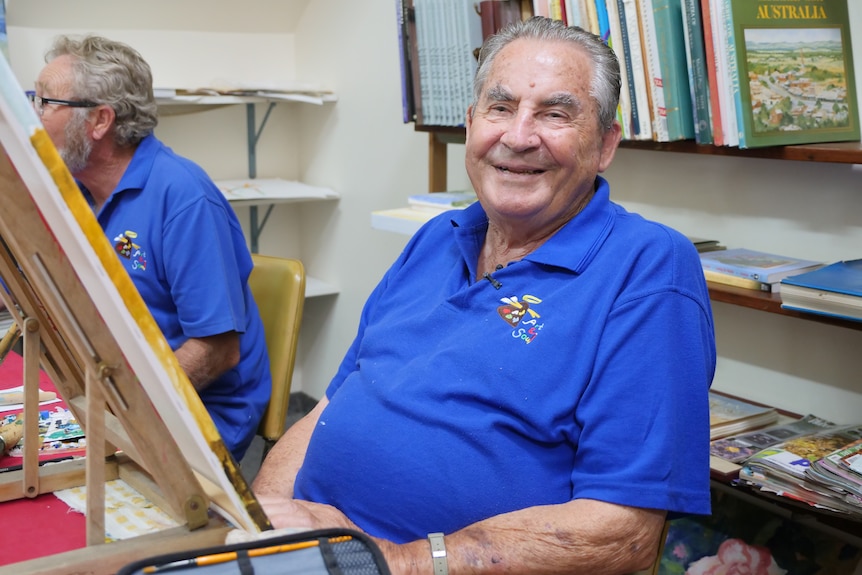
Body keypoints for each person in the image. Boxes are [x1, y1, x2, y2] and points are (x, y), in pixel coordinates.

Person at [252, 17, 716, 574]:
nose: (518, 137)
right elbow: (331, 406)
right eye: (500, 108)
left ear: (605, 144)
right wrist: (258, 526)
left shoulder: (649, 268)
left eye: (555, 113)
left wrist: (395, 561)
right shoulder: (434, 239)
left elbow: (625, 533)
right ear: (471, 124)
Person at [32, 35, 270, 461]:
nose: (36, 119)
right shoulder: (78, 190)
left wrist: (127, 414)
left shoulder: (183, 198)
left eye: (46, 104)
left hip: (195, 405)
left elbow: (216, 351)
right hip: (116, 387)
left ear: (99, 120)